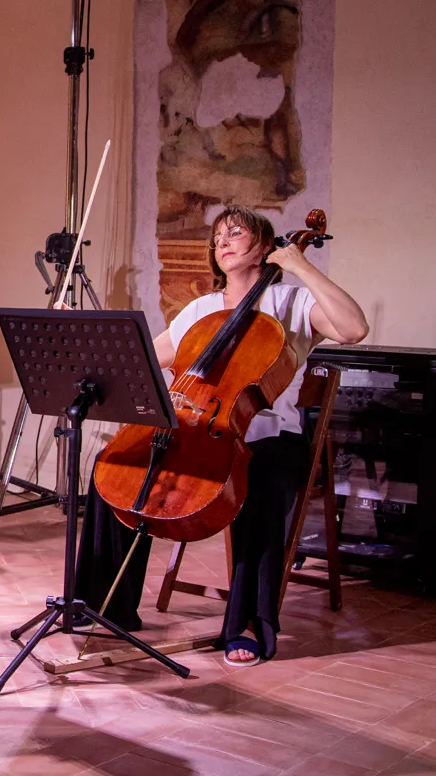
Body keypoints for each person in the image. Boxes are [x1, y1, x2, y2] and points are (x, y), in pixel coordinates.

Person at [79, 206, 367, 665]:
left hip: (269, 438)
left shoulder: (289, 303)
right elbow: (144, 363)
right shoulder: (201, 309)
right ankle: (101, 605)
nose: (224, 242)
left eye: (236, 232)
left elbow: (354, 328)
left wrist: (301, 265)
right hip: (198, 430)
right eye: (218, 237)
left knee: (263, 484)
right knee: (115, 469)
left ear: (266, 244)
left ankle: (248, 623)